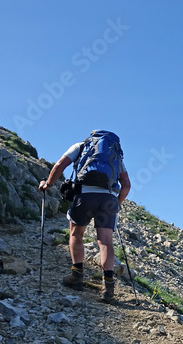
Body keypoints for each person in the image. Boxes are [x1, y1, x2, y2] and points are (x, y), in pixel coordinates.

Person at [37, 130, 131, 303]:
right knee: (105, 242)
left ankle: (77, 276)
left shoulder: (81, 146)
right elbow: (126, 185)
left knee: (76, 234)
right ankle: (107, 288)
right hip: (108, 199)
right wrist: (117, 203)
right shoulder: (116, 156)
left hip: (85, 196)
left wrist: (48, 184)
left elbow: (59, 165)